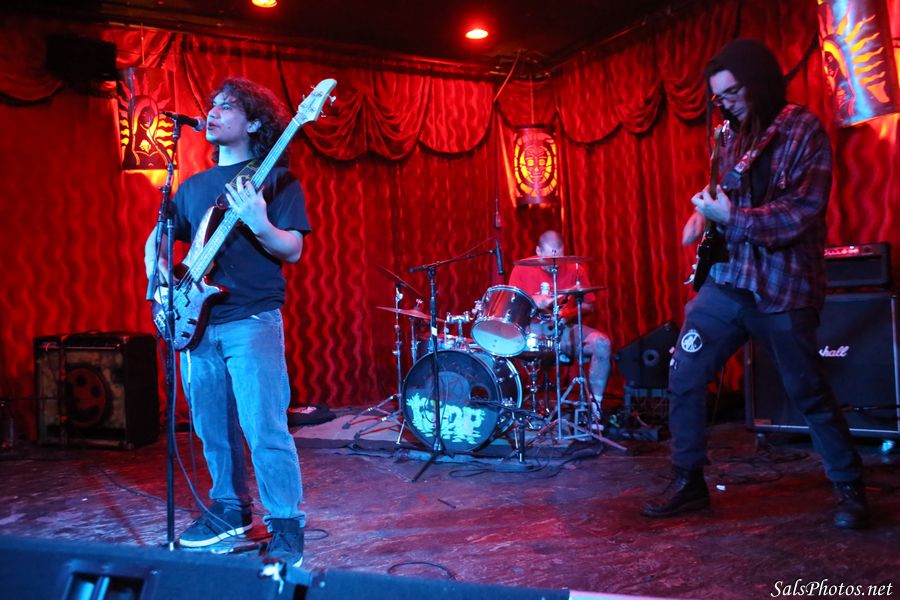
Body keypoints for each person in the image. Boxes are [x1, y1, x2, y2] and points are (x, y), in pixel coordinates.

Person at [640, 39, 869, 529]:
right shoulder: (730, 134)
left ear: (758, 81)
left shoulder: (803, 129)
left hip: (783, 286)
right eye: (719, 97)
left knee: (807, 390)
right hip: (730, 279)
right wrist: (704, 213)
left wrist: (732, 217)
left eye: (733, 92)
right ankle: (688, 480)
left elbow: (801, 214)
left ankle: (850, 486)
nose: (726, 103)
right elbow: (728, 188)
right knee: (684, 372)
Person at [143, 77, 311, 564]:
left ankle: (286, 523)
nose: (213, 113)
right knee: (210, 426)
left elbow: (292, 249)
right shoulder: (192, 187)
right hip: (195, 323)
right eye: (212, 106)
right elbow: (158, 238)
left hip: (251, 319)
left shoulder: (276, 179)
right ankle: (230, 509)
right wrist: (158, 275)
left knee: (264, 427)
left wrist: (259, 221)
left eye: (228, 107)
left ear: (254, 123)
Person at [507, 230, 612, 413]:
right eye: (548, 259)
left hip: (565, 329)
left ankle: (596, 409)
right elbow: (512, 307)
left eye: (558, 259)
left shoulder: (575, 268)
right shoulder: (522, 268)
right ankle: (512, 405)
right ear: (538, 251)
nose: (553, 265)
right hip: (532, 330)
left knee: (602, 343)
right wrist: (535, 302)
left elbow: (589, 306)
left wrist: (567, 313)